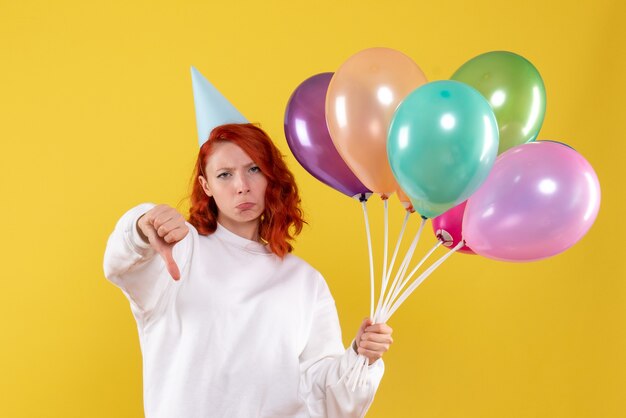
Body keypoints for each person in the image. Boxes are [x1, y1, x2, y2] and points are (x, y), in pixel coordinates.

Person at [103, 123, 393, 418]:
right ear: (206, 186)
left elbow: (322, 395)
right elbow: (121, 264)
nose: (242, 185)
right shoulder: (180, 249)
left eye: (254, 169)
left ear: (270, 177)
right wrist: (142, 224)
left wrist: (360, 355)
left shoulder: (304, 281)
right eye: (224, 174)